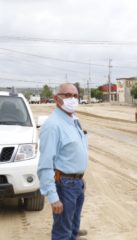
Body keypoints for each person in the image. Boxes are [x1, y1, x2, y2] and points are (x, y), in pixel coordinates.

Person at [37, 83, 88, 240]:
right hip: (64, 186)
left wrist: (79, 178)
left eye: (75, 96)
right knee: (62, 233)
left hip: (75, 184)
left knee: (73, 228)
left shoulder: (73, 119)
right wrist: (53, 197)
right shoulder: (53, 126)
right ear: (56, 99)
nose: (72, 99)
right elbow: (45, 166)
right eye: (67, 95)